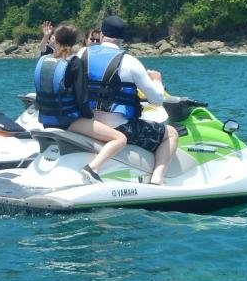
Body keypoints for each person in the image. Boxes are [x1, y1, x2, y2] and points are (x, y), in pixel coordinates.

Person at [80, 15, 178, 185]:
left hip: (88, 123)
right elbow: (157, 100)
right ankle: (157, 179)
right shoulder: (130, 62)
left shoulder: (82, 53)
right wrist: (157, 81)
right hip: (119, 128)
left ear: (102, 34)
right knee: (170, 133)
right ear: (122, 38)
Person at [33, 23, 126, 182]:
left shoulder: (44, 60)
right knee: (120, 139)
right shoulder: (74, 63)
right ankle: (92, 169)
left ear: (55, 39)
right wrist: (91, 118)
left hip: (46, 120)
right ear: (75, 42)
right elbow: (82, 99)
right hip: (68, 121)